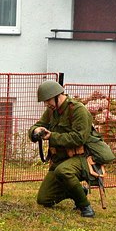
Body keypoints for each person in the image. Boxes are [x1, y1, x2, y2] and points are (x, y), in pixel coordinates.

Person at [28, 81, 95, 217]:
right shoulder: (52, 111)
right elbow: (37, 125)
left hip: (80, 158)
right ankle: (78, 191)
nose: (46, 104)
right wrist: (36, 131)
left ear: (57, 96)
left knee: (63, 171)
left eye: (48, 100)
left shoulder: (78, 110)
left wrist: (52, 136)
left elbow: (79, 138)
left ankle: (85, 206)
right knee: (44, 199)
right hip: (59, 159)